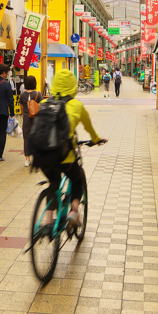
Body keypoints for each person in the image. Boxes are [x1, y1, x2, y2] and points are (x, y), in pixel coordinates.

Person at [40, 69, 106, 228]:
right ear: (73, 86)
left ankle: (48, 221)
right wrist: (96, 140)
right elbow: (89, 126)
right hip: (65, 157)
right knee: (78, 180)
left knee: (53, 184)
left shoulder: (44, 103)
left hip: (42, 157)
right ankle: (74, 212)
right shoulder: (76, 105)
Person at [19, 74, 42, 167]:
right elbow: (41, 106)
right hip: (36, 119)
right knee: (37, 138)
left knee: (27, 139)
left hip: (26, 120)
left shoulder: (22, 95)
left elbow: (21, 109)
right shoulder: (38, 94)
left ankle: (27, 159)